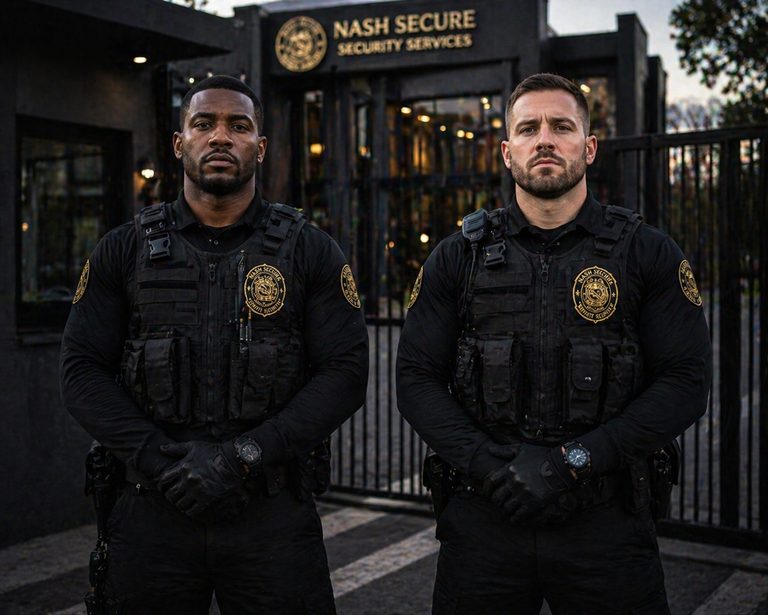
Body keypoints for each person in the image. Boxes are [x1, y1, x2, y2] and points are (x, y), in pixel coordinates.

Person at [396, 73, 712, 614]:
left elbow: (685, 381)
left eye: (561, 126)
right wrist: (489, 465)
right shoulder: (457, 257)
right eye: (528, 128)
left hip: (607, 526)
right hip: (485, 523)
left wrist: (572, 463)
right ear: (506, 151)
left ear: (588, 148)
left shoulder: (647, 252)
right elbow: (416, 378)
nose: (544, 139)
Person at [60, 75, 369, 614]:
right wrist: (160, 460)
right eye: (204, 124)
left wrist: (245, 457)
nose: (221, 137)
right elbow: (81, 371)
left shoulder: (310, 250)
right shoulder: (123, 249)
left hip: (270, 512)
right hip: (151, 507)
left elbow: (344, 372)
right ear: (180, 143)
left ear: (260, 147)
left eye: (239, 126)